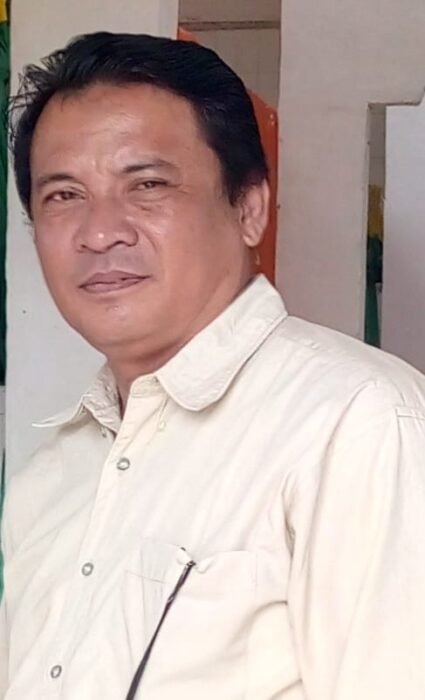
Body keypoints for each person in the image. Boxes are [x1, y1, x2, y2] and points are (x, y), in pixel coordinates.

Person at [1, 31, 425, 700]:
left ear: (248, 208)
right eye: (63, 196)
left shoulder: (355, 423)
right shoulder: (48, 479)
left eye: (147, 185)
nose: (99, 232)